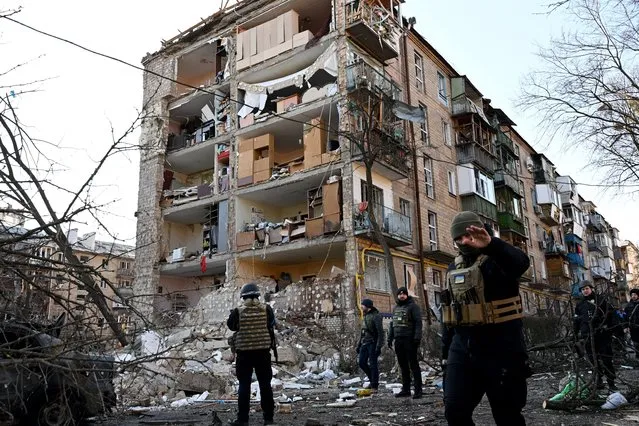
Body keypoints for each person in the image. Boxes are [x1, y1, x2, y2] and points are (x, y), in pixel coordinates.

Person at [441, 211, 531, 426]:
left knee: (507, 415)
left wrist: (492, 245)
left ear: (479, 232)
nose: (464, 241)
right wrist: (446, 353)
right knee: (454, 410)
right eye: (458, 238)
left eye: (468, 236)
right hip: (462, 348)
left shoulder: (499, 258)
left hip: (502, 349)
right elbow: (450, 311)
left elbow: (521, 263)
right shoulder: (455, 267)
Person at [227, 283, 276, 426]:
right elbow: (271, 324)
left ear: (243, 297)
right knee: (265, 385)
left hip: (244, 355)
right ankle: (268, 419)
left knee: (244, 386)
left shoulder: (238, 311)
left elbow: (231, 326)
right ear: (257, 296)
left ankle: (243, 420)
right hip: (263, 353)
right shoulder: (267, 309)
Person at [574, 281, 617, 390]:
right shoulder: (580, 305)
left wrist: (610, 328)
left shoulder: (601, 300)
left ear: (591, 289)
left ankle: (611, 383)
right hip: (587, 336)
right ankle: (598, 381)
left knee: (606, 359)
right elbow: (577, 320)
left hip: (602, 335)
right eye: (583, 289)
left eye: (587, 288)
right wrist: (575, 334)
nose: (585, 291)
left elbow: (611, 315)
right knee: (593, 361)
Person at [387, 286, 423, 399]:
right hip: (399, 340)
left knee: (413, 365)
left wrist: (417, 337)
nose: (402, 295)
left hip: (410, 339)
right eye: (400, 294)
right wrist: (390, 338)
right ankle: (406, 389)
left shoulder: (413, 307)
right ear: (397, 295)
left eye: (404, 294)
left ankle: (418, 390)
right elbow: (393, 324)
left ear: (407, 295)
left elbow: (418, 323)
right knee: (403, 365)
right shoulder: (395, 308)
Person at [356, 298, 384, 390]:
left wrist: (379, 346)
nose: (361, 306)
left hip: (373, 343)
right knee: (362, 363)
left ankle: (374, 385)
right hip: (365, 343)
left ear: (367, 306)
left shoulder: (376, 316)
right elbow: (363, 332)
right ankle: (372, 379)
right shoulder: (365, 315)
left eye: (363, 305)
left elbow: (380, 332)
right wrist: (359, 344)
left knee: (373, 364)